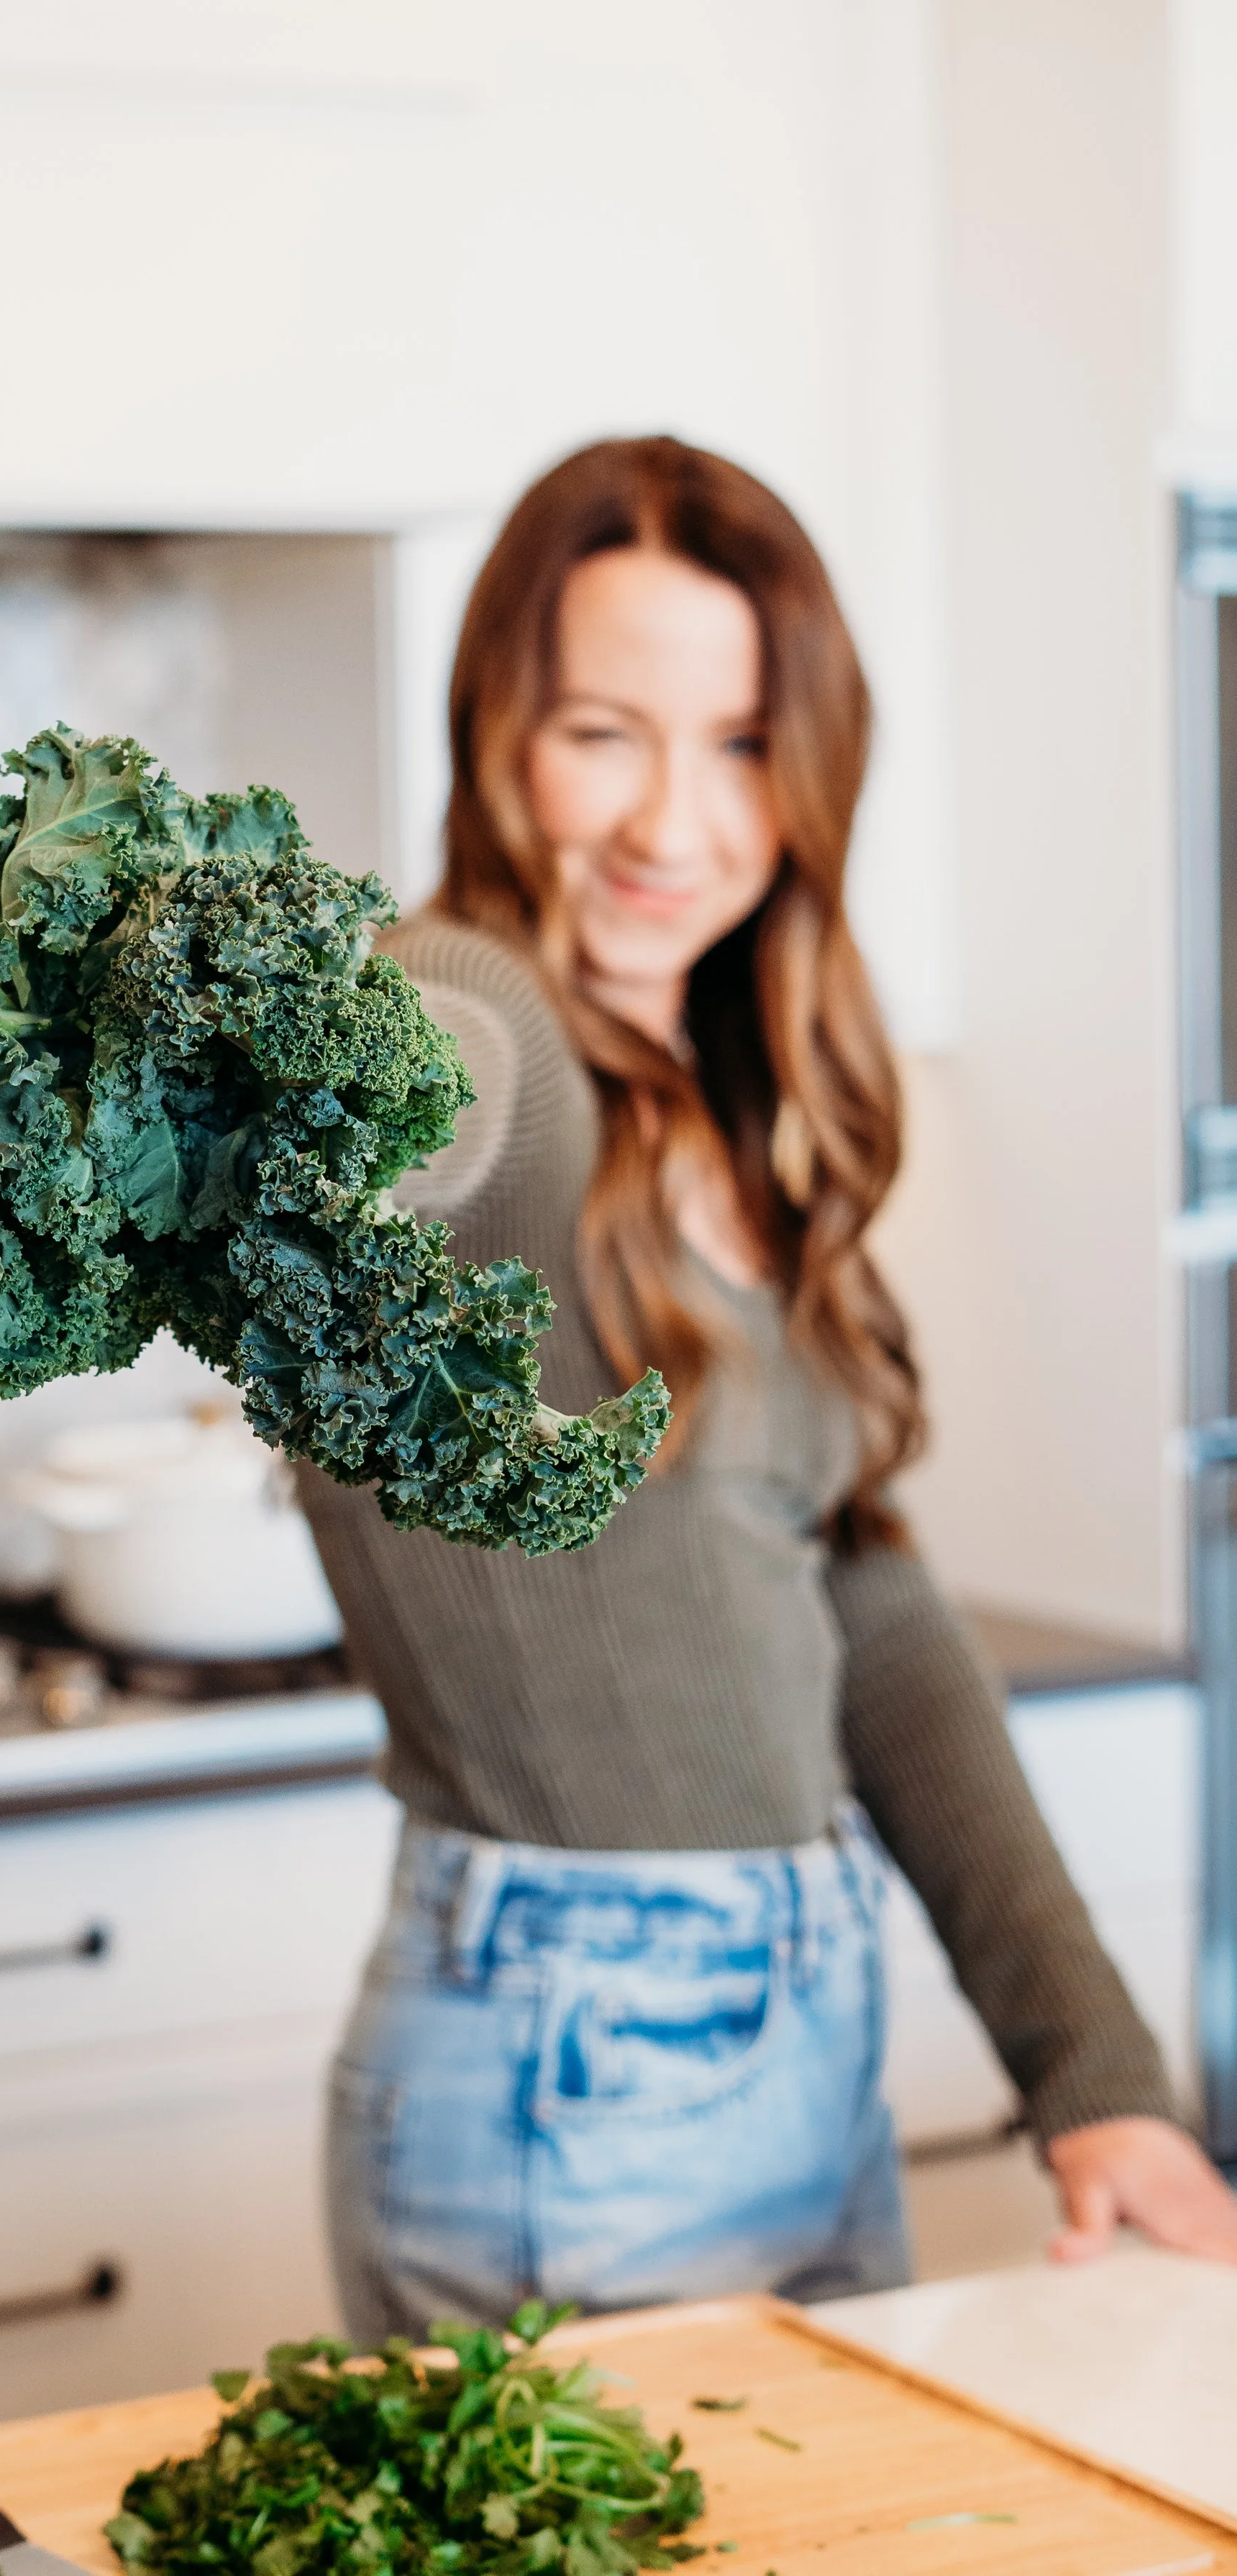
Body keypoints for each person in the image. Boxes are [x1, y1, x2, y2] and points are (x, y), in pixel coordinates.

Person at [296, 435, 1237, 2338]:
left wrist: (1098, 2069)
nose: (672, 822)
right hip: (576, 2062)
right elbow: (405, 1072)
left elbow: (868, 1611)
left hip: (799, 2040)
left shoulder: (739, 1106)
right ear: (495, 729)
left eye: (734, 743)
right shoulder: (476, 1035)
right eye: (598, 732)